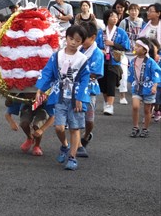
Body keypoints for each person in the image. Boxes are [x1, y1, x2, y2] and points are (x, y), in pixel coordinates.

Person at [35, 25, 90, 170]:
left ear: (81, 42)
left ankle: (72, 158)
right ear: (66, 38)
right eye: (71, 38)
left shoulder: (82, 59)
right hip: (59, 96)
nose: (73, 42)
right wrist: (40, 88)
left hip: (75, 99)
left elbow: (85, 80)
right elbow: (47, 73)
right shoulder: (56, 56)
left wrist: (79, 97)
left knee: (75, 127)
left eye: (77, 40)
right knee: (59, 127)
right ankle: (65, 145)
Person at [76, 22, 104, 158]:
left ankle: (86, 135)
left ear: (93, 37)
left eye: (83, 38)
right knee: (75, 116)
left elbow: (94, 72)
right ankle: (77, 144)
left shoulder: (97, 53)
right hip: (75, 88)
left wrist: (77, 72)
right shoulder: (78, 49)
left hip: (89, 89)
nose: (80, 41)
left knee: (89, 118)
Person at [96, 9, 131, 116]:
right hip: (102, 61)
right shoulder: (101, 32)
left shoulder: (121, 32)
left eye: (116, 17)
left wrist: (113, 43)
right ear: (107, 18)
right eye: (112, 16)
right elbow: (95, 45)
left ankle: (110, 106)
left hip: (115, 61)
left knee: (111, 83)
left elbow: (127, 47)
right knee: (103, 84)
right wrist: (100, 50)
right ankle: (106, 103)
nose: (115, 18)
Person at [127, 38, 161, 138]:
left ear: (145, 49)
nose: (135, 48)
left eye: (138, 46)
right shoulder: (133, 61)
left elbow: (156, 73)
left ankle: (145, 128)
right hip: (137, 87)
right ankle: (135, 127)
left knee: (147, 110)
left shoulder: (151, 62)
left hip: (149, 88)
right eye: (135, 45)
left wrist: (155, 86)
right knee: (135, 106)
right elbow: (131, 73)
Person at [118, 4, 146, 104]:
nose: (134, 12)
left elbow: (146, 39)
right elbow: (119, 36)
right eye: (132, 10)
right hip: (125, 53)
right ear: (128, 11)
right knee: (124, 74)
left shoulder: (143, 23)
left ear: (138, 12)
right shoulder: (124, 22)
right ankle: (122, 96)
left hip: (138, 54)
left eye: (136, 10)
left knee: (140, 74)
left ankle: (140, 94)